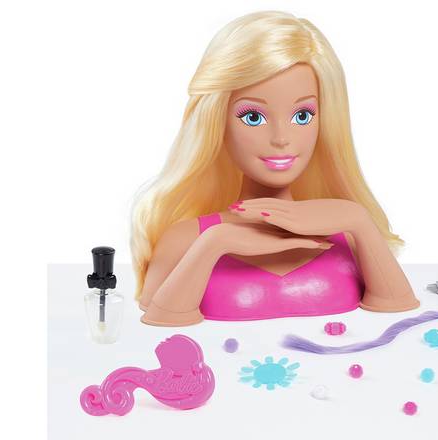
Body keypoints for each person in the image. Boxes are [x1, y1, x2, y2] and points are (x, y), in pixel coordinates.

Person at [131, 11, 420, 326]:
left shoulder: (345, 233)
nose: (281, 138)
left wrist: (358, 219)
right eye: (253, 117)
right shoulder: (187, 238)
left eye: (302, 115)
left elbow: (396, 306)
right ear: (216, 122)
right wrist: (216, 242)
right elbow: (159, 321)